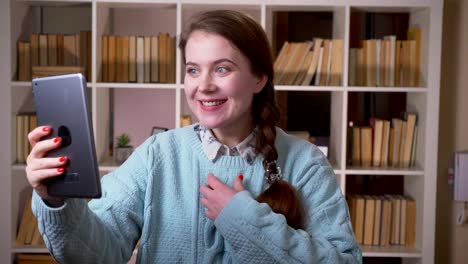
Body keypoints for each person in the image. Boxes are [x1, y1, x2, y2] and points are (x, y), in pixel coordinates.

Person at [26, 10, 362, 263]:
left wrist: (242, 219)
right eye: (193, 69)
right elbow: (97, 253)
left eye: (222, 68)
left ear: (259, 78)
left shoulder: (305, 162)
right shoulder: (158, 154)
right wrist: (56, 200)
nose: (204, 86)